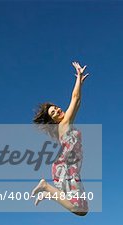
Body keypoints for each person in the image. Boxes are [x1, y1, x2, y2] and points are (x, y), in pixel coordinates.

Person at [31, 61, 89, 216]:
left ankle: (49, 192)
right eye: (53, 113)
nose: (57, 110)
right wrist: (78, 78)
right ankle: (46, 188)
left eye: (56, 108)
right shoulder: (63, 124)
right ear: (54, 121)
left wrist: (80, 85)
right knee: (80, 209)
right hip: (65, 168)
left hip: (71, 168)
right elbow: (75, 98)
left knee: (84, 208)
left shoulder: (65, 125)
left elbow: (78, 103)